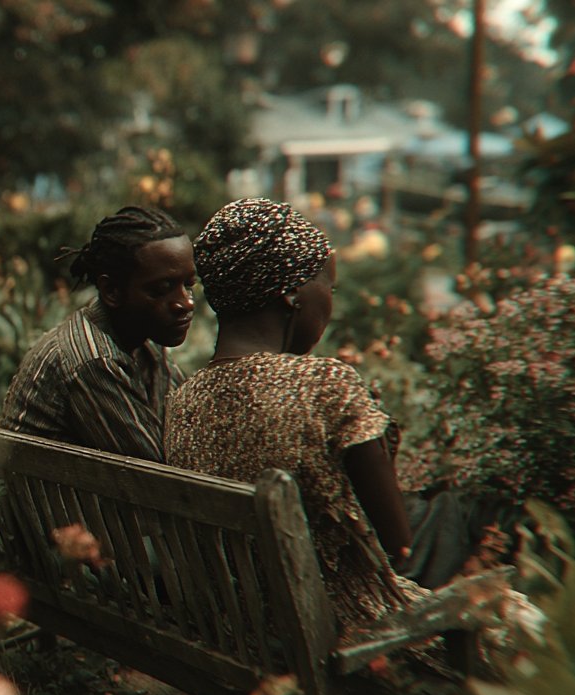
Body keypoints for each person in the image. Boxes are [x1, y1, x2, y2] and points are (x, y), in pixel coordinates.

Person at [163, 197, 425, 634]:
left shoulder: (183, 400)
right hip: (343, 632)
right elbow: (398, 545)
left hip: (241, 629)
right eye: (329, 288)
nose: (330, 303)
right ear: (291, 293)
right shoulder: (325, 383)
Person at [0, 205, 196, 462]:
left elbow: (186, 418)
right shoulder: (92, 361)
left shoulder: (144, 343)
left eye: (189, 285)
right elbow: (163, 469)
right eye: (161, 289)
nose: (185, 303)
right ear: (111, 291)